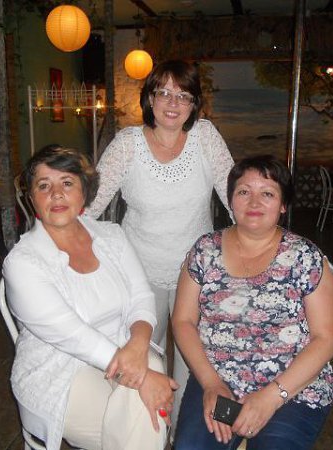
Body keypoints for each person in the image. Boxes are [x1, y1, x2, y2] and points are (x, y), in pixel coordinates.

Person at [85, 59, 234, 425]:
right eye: (163, 92)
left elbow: (236, 197)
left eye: (183, 95)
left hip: (195, 274)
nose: (172, 102)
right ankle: (154, 431)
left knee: (192, 362)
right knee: (148, 358)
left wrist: (265, 247)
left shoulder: (205, 137)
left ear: (194, 104)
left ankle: (184, 432)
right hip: (140, 273)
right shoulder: (128, 143)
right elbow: (90, 204)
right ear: (149, 98)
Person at [3, 145, 178, 450]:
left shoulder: (112, 236)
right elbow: (71, 335)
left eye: (67, 182)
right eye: (44, 186)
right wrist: (142, 375)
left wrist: (138, 344)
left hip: (126, 348)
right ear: (32, 199)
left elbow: (141, 296)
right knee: (146, 418)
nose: (56, 194)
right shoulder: (22, 263)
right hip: (59, 371)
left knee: (143, 403)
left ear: (84, 192)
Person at [172, 156, 333, 450]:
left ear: (283, 205)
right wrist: (211, 384)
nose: (254, 202)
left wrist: (272, 397)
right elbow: (183, 321)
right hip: (219, 376)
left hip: (291, 386)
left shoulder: (306, 258)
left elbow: (326, 340)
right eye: (244, 191)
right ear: (230, 200)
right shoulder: (204, 250)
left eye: (268, 193)